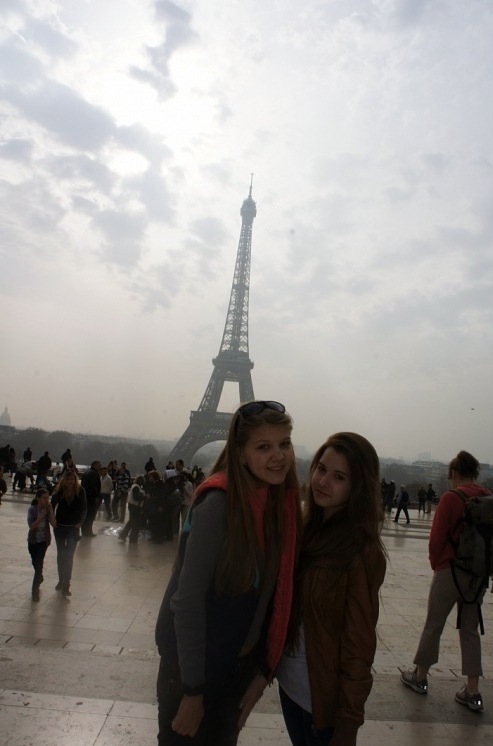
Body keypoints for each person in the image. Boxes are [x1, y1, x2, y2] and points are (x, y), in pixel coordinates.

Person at [155, 400, 301, 745]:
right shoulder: (217, 506)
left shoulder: (275, 506)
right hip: (193, 674)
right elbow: (187, 602)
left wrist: (258, 670)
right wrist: (192, 692)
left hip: (235, 671)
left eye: (284, 443)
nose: (278, 456)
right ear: (240, 454)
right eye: (263, 447)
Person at [277, 432, 387, 746]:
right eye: (321, 469)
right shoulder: (307, 529)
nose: (323, 482)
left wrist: (349, 721)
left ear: (357, 487)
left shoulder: (362, 551)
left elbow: (359, 643)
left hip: (321, 705)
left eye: (339, 477)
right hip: (291, 686)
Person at [401, 450, 491, 712]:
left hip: (450, 571)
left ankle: (420, 677)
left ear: (453, 473)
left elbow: (437, 539)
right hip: (477, 575)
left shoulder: (451, 498)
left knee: (434, 624)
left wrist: (436, 565)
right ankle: (472, 692)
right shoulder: (487, 497)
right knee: (470, 630)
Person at [51, 471, 87, 598]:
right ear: (64, 480)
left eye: (72, 479)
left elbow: (84, 508)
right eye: (68, 479)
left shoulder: (80, 491)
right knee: (61, 555)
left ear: (75, 480)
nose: (70, 482)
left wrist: (81, 522)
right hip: (60, 527)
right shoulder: (59, 490)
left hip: (73, 528)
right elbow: (51, 505)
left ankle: (66, 583)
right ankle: (61, 579)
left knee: (69, 556)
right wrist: (52, 521)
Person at [27, 488, 56, 601]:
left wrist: (51, 511)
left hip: (43, 542)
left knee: (39, 565)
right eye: (44, 498)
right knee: (35, 563)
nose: (46, 500)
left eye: (47, 498)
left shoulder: (47, 510)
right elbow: (31, 526)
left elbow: (54, 524)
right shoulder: (32, 510)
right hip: (33, 541)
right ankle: (39, 577)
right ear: (38, 498)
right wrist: (41, 516)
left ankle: (34, 590)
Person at [119, 476, 146, 543]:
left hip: (133, 506)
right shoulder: (136, 487)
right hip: (135, 507)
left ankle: (123, 535)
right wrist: (144, 497)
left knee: (131, 522)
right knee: (136, 523)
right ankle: (132, 539)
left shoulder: (135, 486)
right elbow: (136, 497)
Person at [81, 461, 102, 537]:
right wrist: (96, 496)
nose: (100, 467)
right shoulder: (94, 474)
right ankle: (88, 532)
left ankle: (84, 531)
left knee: (85, 515)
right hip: (91, 498)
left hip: (85, 497)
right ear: (95, 465)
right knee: (90, 516)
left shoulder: (87, 472)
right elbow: (94, 486)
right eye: (99, 465)